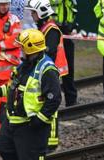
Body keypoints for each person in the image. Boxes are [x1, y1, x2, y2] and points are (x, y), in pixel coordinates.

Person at [0, 29, 62, 160]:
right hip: (14, 121)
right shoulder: (24, 65)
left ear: (32, 49)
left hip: (32, 125)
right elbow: (13, 86)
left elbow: (54, 100)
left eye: (23, 48)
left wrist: (39, 121)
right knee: (3, 147)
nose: (20, 51)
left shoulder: (47, 69)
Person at [26, 0, 68, 150]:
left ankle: (51, 142)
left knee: (52, 106)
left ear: (41, 12)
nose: (31, 15)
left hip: (51, 72)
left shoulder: (51, 30)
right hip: (46, 71)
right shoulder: (43, 28)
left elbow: (49, 52)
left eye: (33, 12)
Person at [0, 0, 22, 131]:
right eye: (2, 4)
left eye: (6, 4)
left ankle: (1, 135)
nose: (4, 7)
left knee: (4, 107)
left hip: (7, 76)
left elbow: (16, 41)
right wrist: (4, 37)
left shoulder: (14, 19)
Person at [50, 0, 78, 106]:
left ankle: (71, 102)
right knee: (51, 68)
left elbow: (73, 14)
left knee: (68, 69)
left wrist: (73, 26)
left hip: (67, 35)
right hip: (52, 33)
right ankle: (51, 100)